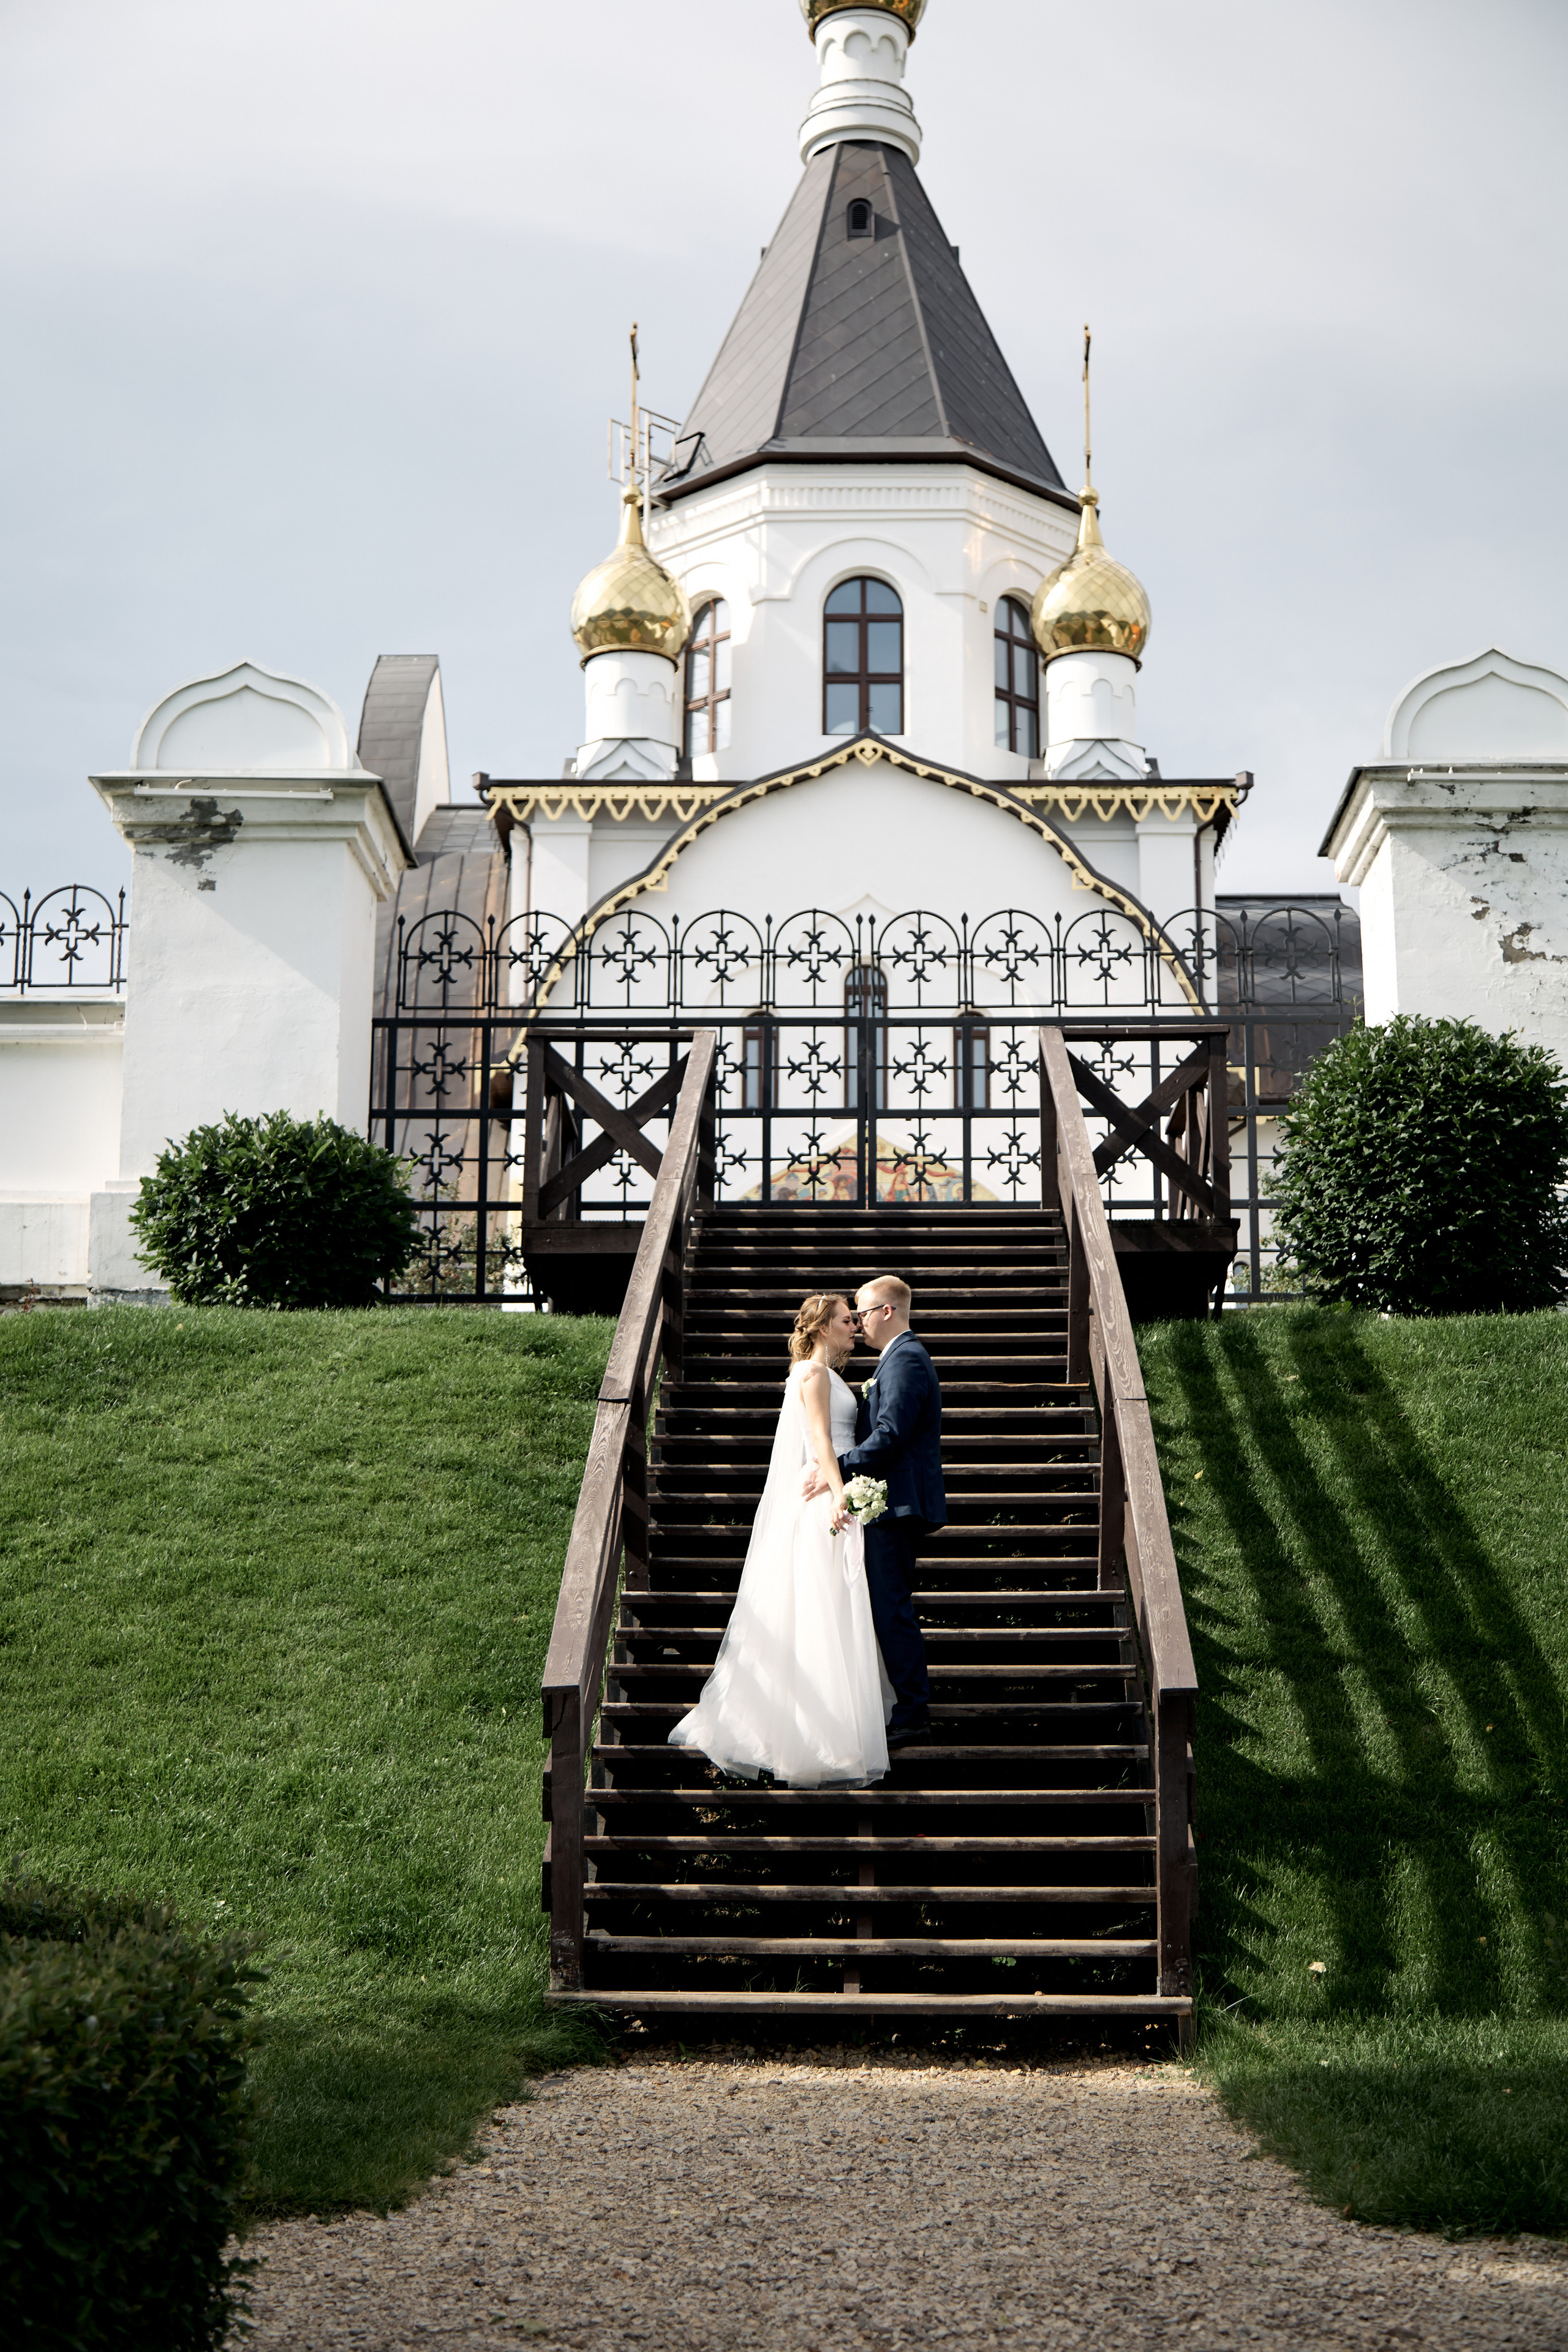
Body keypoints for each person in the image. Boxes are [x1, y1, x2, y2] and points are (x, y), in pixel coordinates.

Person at [668, 1294, 892, 1787]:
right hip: (824, 1499)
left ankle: (833, 1730)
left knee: (834, 1609)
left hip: (834, 1487)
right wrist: (839, 1493)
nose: (854, 1326)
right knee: (820, 1610)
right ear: (822, 1328)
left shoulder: (825, 1374)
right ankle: (814, 1736)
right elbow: (822, 1440)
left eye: (855, 1320)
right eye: (846, 1320)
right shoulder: (812, 1375)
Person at [805, 1275, 943, 1747]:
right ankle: (901, 1704)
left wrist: (837, 1468)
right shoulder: (895, 1359)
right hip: (889, 1503)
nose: (859, 1323)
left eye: (862, 1313)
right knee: (886, 1606)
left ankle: (913, 1711)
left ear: (887, 1311)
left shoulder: (905, 1359)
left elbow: (891, 1434)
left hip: (897, 1505)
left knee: (891, 1608)